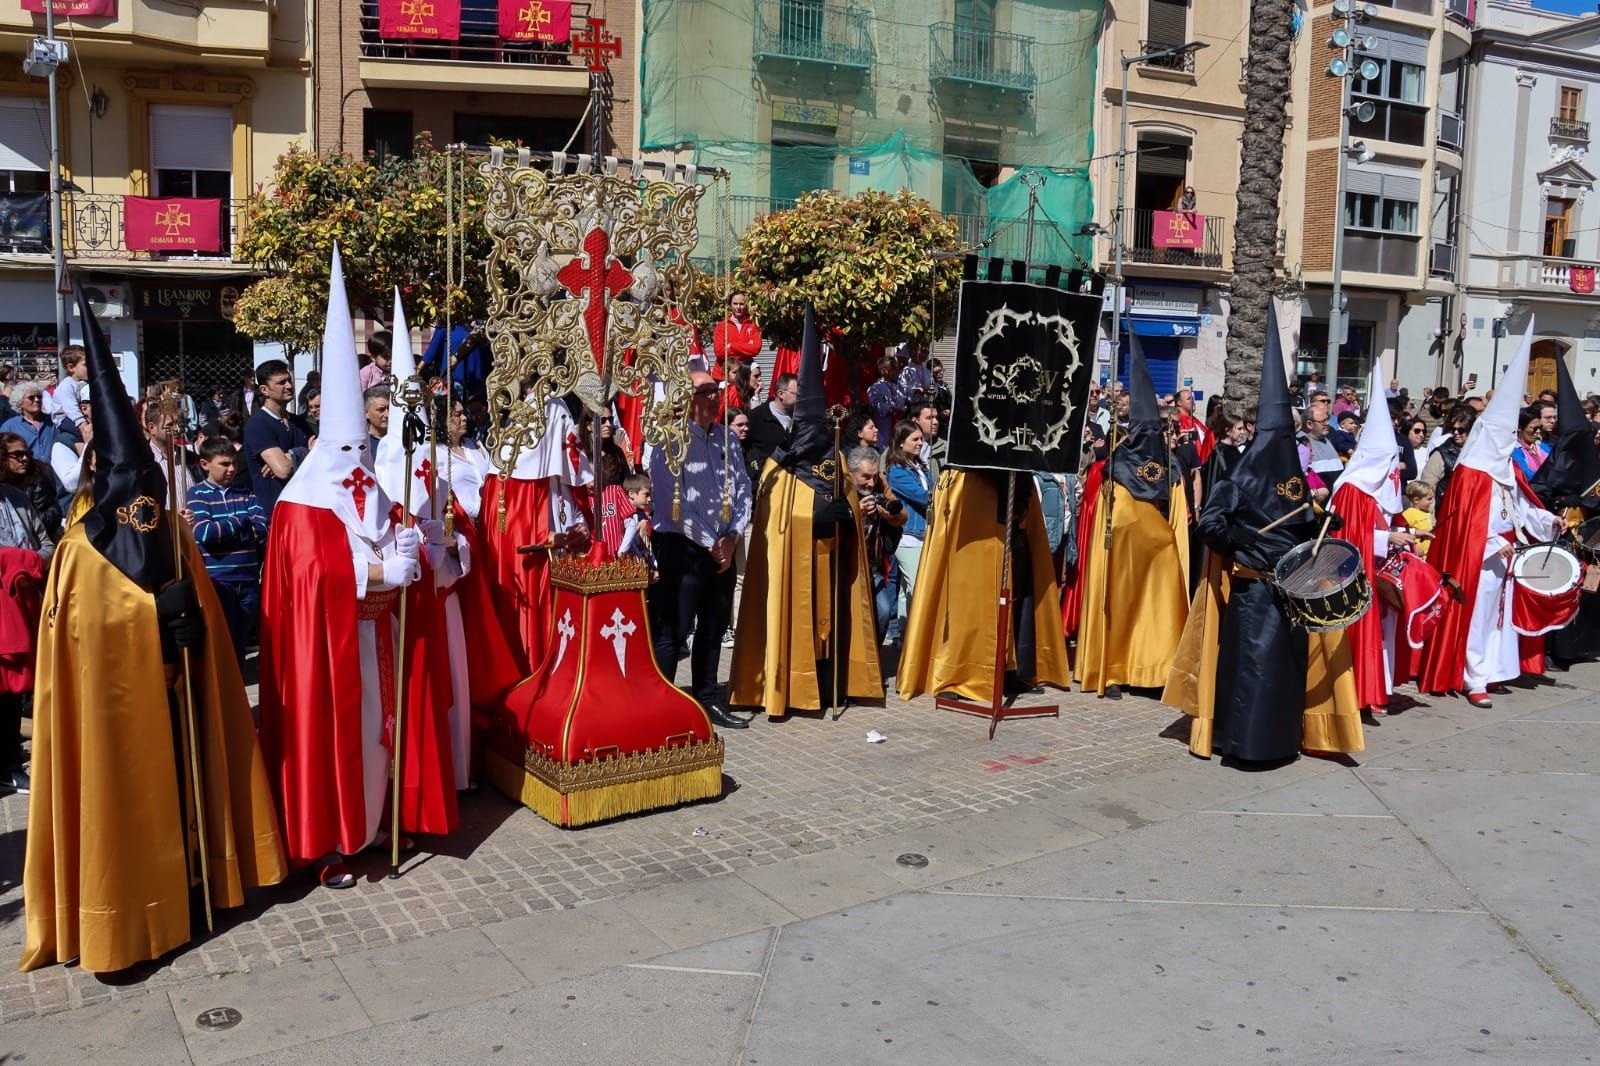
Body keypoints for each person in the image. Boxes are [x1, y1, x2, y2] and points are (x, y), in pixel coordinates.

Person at [22, 280, 285, 973]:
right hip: (115, 712)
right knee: (129, 799)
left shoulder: (171, 528)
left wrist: (189, 620)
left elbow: (190, 588)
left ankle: (204, 878)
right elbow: (84, 633)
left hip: (178, 688)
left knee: (187, 783)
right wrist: (149, 618)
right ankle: (126, 916)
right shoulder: (79, 549)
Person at [257, 248, 457, 889]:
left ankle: (377, 823)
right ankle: (331, 836)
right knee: (340, 735)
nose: (352, 459)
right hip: (332, 650)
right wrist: (376, 576)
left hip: (382, 640)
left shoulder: (374, 485)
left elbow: (401, 538)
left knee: (380, 739)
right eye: (341, 446)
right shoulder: (301, 502)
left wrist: (411, 556)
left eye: (358, 448)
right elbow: (314, 581)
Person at [1165, 303, 1357, 764]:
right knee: (1252, 668)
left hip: (1293, 592)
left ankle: (1281, 741)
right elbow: (1211, 523)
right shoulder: (1238, 475)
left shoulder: (1294, 476)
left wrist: (1325, 523)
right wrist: (1244, 545)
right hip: (1253, 592)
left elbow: (1303, 525)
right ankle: (1245, 745)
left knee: (1285, 670)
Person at [729, 308, 881, 718]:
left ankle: (832, 680)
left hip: (832, 559)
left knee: (830, 622)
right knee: (799, 619)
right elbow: (775, 518)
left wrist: (844, 511)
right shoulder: (780, 465)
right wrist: (814, 514)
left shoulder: (835, 459)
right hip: (795, 564)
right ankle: (793, 685)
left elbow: (852, 500)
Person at [1419, 327, 1562, 707]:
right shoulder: (1470, 473)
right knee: (1479, 618)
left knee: (1500, 618)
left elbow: (1523, 507)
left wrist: (1549, 523)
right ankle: (1473, 677)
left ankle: (1494, 671)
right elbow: (1464, 524)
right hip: (1480, 559)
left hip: (1506, 555)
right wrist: (1494, 544)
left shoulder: (1505, 469)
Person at [1076, 341, 1191, 698]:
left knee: (1158, 609)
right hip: (1122, 555)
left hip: (1157, 556)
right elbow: (1107, 518)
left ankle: (1156, 669)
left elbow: (1175, 516)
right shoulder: (1115, 469)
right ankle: (1111, 670)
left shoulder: (1170, 468)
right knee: (1119, 607)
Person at [900, 467, 1071, 701]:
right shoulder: (959, 480)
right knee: (966, 591)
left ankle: (1010, 668)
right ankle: (958, 672)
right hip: (972, 485)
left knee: (1017, 587)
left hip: (1015, 483)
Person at [650, 370, 753, 730]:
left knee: (714, 622)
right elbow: (670, 505)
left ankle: (707, 699)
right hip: (684, 546)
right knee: (675, 630)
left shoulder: (727, 438)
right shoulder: (668, 442)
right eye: (705, 391)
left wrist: (733, 535)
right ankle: (660, 706)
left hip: (724, 542)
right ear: (685, 398)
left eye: (716, 390)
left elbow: (743, 487)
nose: (713, 397)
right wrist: (712, 543)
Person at [1329, 367, 1416, 720]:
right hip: (1356, 574)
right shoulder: (1352, 489)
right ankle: (1358, 693)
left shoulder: (1377, 487)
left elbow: (1391, 515)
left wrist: (1407, 535)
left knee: (1382, 635)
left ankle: (1377, 687)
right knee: (1362, 634)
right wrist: (1385, 538)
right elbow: (1346, 537)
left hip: (1380, 570)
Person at [183, 436, 269, 665]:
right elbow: (204, 533)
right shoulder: (198, 495)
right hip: (219, 580)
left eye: (233, 463)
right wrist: (241, 520)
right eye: (224, 464)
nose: (231, 469)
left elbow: (261, 527)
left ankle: (237, 692)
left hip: (248, 580)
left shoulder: (245, 492)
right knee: (223, 642)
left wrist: (228, 529)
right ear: (205, 464)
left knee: (240, 642)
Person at [0, 468, 54, 794]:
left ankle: (8, 759)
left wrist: (28, 562)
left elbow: (46, 544)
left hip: (25, 601)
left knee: (14, 691)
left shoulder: (18, 498)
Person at [848, 446, 905, 644]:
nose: (871, 483)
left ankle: (874, 661)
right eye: (865, 477)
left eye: (874, 476)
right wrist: (856, 512)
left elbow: (901, 512)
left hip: (872, 564)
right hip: (847, 566)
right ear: (851, 472)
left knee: (883, 612)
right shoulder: (841, 488)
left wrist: (890, 516)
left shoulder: (879, 483)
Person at [243, 359, 312, 516]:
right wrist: (303, 454)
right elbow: (283, 470)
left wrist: (293, 456)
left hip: (303, 508)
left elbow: (322, 459)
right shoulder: (258, 424)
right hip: (275, 513)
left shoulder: (299, 422)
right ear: (264, 390)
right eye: (281, 382)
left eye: (289, 380)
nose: (289, 386)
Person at [884, 420, 931, 641]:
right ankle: (917, 636)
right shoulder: (897, 471)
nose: (920, 443)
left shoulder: (920, 466)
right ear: (901, 443)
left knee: (906, 590)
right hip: (907, 536)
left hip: (923, 534)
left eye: (921, 438)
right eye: (915, 439)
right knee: (918, 586)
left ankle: (903, 636)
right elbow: (924, 496)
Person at [0, 431, 64, 536]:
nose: (25, 459)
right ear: (3, 456)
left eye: (27, 454)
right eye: (18, 455)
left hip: (37, 539)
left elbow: (52, 514)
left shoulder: (36, 478)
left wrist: (22, 520)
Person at [745, 372, 797, 475]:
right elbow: (744, 449)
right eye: (797, 394)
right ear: (781, 394)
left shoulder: (801, 419)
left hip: (794, 483)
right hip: (766, 482)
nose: (801, 397)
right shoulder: (756, 417)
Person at [144, 400, 196, 503]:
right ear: (152, 428)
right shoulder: (143, 462)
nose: (177, 429)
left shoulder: (190, 459)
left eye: (178, 423)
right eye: (170, 425)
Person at [2, 381, 62, 464]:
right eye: (31, 397)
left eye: (39, 397)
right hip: (27, 473)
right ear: (20, 402)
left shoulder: (53, 421)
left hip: (51, 473)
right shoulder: (10, 426)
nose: (37, 400)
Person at [712, 292, 762, 366]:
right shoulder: (722, 326)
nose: (738, 307)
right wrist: (746, 348)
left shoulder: (753, 325)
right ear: (730, 305)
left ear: (746, 305)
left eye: (741, 304)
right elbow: (719, 353)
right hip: (723, 374)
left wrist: (731, 346)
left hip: (745, 373)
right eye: (735, 304)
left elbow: (756, 349)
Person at [866, 355, 904, 443]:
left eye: (895, 368)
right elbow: (875, 405)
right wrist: (890, 408)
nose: (895, 371)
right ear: (883, 370)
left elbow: (901, 400)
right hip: (883, 421)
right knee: (884, 441)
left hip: (897, 421)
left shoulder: (897, 386)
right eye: (892, 368)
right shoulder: (875, 387)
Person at [52, 345, 88, 428]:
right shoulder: (66, 386)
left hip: (81, 416)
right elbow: (71, 408)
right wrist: (83, 425)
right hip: (65, 419)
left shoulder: (87, 383)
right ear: (71, 368)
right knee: (79, 432)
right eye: (85, 365)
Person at [1512, 407, 1551, 480]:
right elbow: (1526, 475)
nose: (1538, 431)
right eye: (1534, 428)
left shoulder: (1544, 447)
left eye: (1540, 427)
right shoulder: (1514, 451)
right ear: (1519, 427)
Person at [1400, 482, 1435, 555]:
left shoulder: (1426, 512)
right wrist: (1415, 546)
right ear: (1416, 500)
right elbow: (1404, 532)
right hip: (1417, 555)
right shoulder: (1409, 513)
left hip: (1428, 554)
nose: (1431, 502)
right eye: (1429, 499)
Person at [363, 386, 390, 455]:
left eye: (390, 409)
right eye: (381, 410)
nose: (387, 415)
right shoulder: (362, 445)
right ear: (366, 413)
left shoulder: (402, 442)